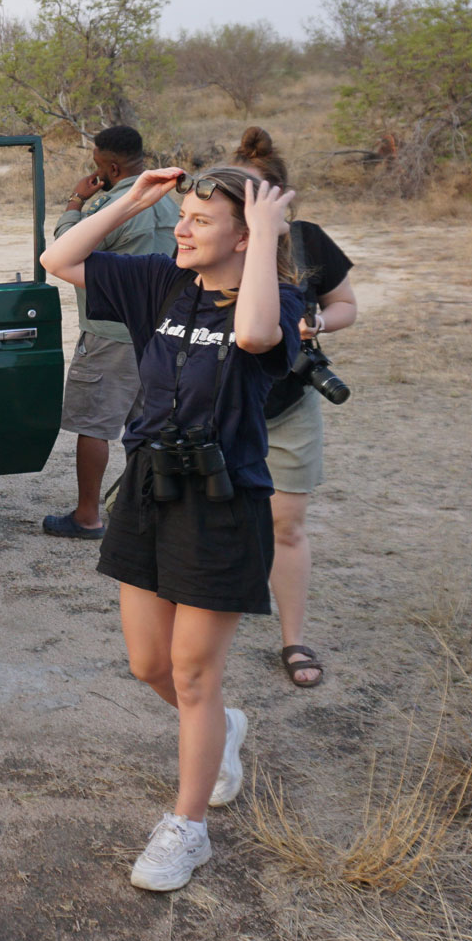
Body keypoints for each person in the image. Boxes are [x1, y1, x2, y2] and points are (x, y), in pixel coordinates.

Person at [39, 164, 302, 893]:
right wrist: (133, 200)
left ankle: (188, 829)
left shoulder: (274, 299)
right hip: (150, 491)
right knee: (150, 666)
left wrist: (269, 237)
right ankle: (223, 729)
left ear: (245, 235)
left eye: (200, 220)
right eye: (182, 216)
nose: (182, 229)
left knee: (192, 675)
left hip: (221, 503)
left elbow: (252, 334)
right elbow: (59, 260)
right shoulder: (161, 281)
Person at [231, 127, 359, 689]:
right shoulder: (213, 240)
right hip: (228, 402)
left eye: (258, 196)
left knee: (287, 525)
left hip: (288, 403)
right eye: (237, 197)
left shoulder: (308, 243)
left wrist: (319, 324)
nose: (247, 209)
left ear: (283, 199)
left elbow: (346, 305)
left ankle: (293, 638)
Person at [42, 126, 179, 540]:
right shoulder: (168, 203)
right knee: (147, 427)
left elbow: (66, 246)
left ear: (112, 167)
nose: (94, 169)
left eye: (98, 164)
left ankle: (88, 515)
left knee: (96, 425)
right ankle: (150, 512)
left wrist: (77, 200)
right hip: (157, 333)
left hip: (109, 332)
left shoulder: (115, 206)